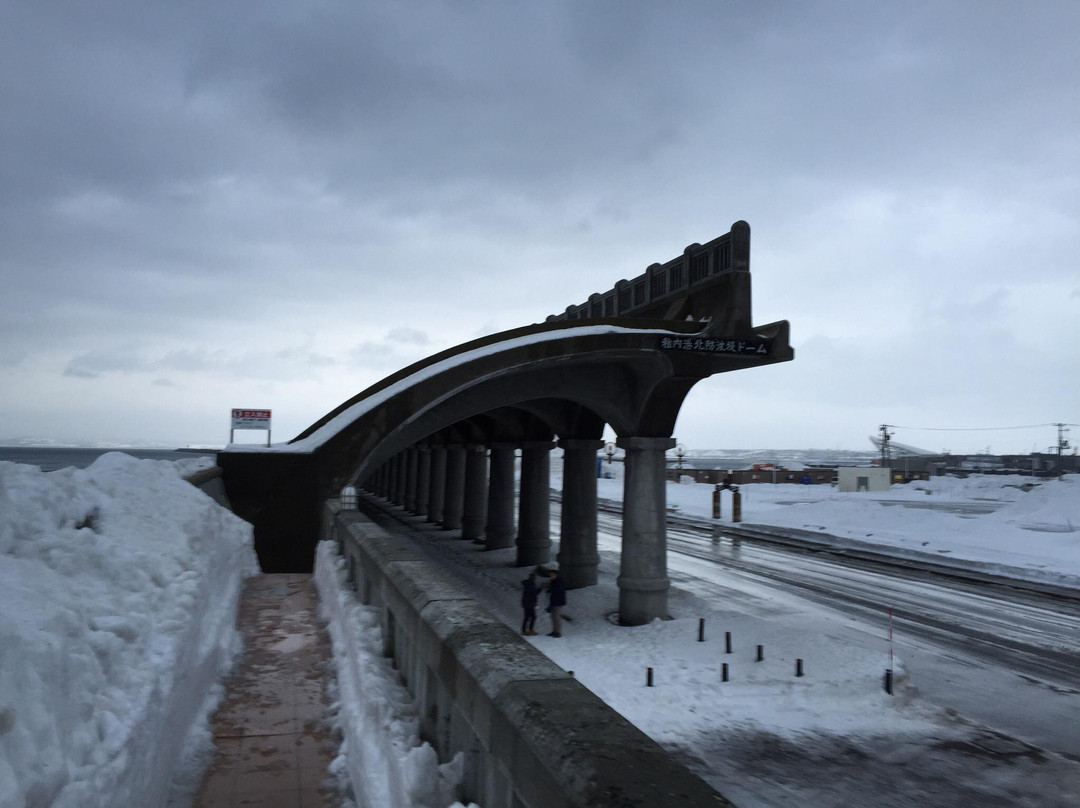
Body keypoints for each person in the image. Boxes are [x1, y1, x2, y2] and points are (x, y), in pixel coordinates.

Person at [545, 568, 566, 637]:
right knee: (553, 616)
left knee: (556, 617)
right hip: (554, 601)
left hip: (558, 601)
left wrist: (551, 590)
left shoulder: (559, 581)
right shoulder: (554, 581)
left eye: (551, 575)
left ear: (555, 575)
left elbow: (558, 590)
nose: (550, 576)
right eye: (550, 575)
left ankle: (558, 632)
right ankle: (555, 631)